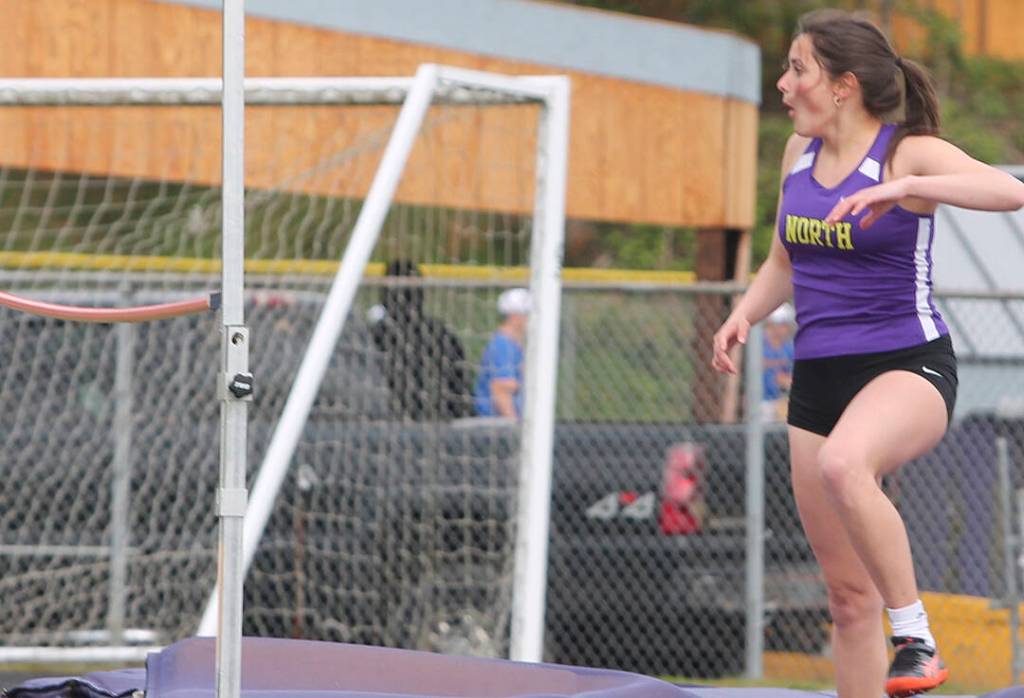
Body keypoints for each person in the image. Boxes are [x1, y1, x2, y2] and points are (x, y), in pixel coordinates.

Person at [711, 10, 1024, 698]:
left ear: (844, 85)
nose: (784, 83)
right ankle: (884, 646)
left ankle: (914, 636)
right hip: (819, 378)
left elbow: (1009, 192)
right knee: (847, 601)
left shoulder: (905, 152)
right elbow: (783, 263)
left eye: (798, 69)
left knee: (847, 463)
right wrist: (743, 313)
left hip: (907, 365)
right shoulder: (797, 158)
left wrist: (908, 189)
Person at [368, 260, 473, 420]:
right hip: (436, 427)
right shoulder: (443, 334)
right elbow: (461, 393)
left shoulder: (372, 335)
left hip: (389, 425)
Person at [473, 288, 530, 418]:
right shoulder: (504, 345)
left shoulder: (514, 345)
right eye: (527, 314)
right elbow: (501, 390)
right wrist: (513, 427)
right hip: (497, 427)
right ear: (515, 316)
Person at [762, 302, 796, 422]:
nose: (777, 330)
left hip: (783, 400)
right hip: (762, 400)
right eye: (773, 325)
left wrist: (786, 380)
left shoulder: (790, 348)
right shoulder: (760, 345)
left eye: (782, 325)